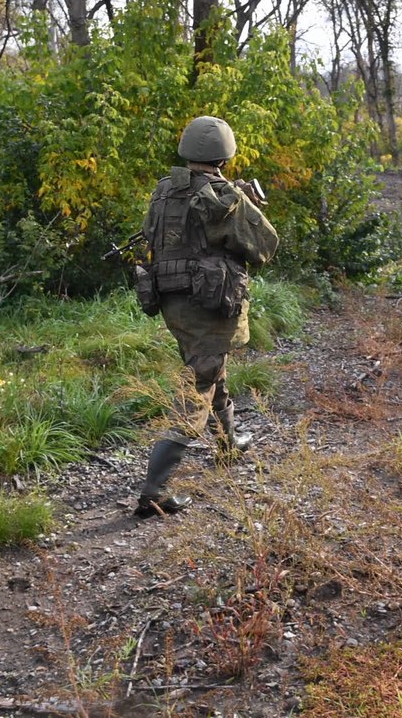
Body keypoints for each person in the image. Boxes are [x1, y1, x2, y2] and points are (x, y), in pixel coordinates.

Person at [134, 116, 279, 518]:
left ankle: (228, 442)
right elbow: (264, 247)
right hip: (208, 302)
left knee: (213, 369)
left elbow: (158, 235)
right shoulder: (223, 196)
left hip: (172, 302)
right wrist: (245, 204)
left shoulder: (165, 189)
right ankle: (154, 493)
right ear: (224, 155)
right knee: (199, 385)